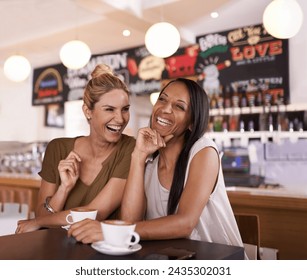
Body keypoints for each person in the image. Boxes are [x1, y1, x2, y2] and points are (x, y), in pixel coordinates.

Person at [68, 77, 243, 249]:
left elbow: (185, 223)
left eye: (179, 106)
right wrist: (138, 156)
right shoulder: (150, 163)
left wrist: (112, 231)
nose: (165, 109)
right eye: (162, 99)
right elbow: (131, 220)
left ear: (191, 122)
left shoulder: (203, 151)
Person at [16, 64, 135, 233]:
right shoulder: (57, 148)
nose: (120, 119)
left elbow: (95, 213)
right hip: (56, 250)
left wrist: (37, 222)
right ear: (88, 111)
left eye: (125, 110)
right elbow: (41, 213)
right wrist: (63, 189)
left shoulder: (129, 148)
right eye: (109, 109)